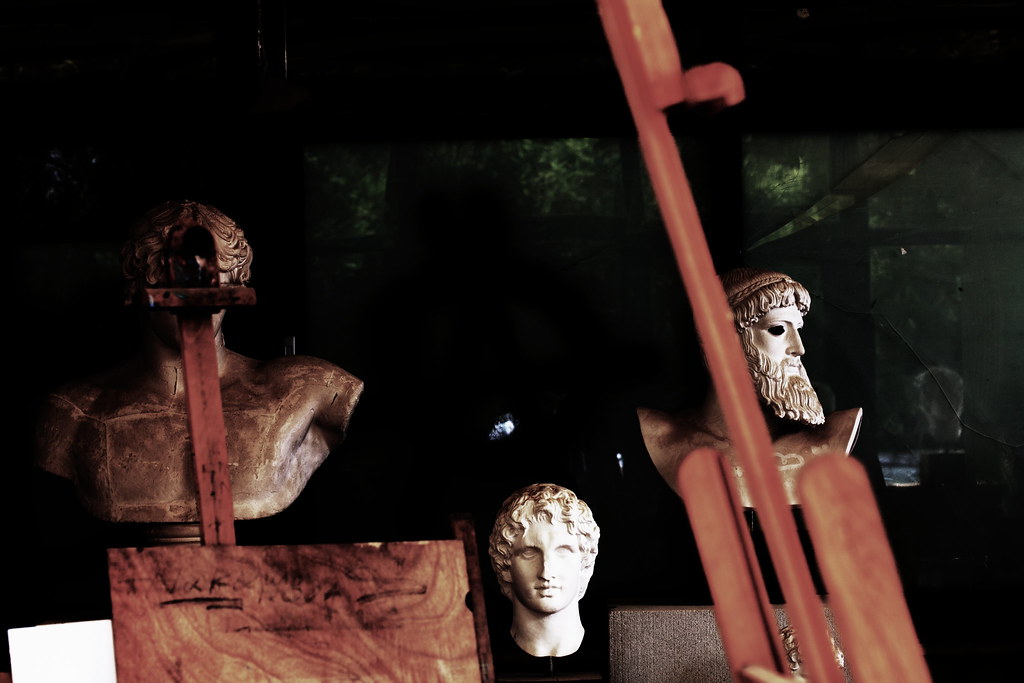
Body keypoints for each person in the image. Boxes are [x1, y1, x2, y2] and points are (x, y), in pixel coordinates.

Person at [33, 200, 364, 541]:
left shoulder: (309, 392)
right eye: (180, 285)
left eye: (213, 286)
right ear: (139, 289)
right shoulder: (76, 412)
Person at [637, 267, 863, 508]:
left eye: (798, 329)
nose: (799, 348)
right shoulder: (660, 438)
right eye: (778, 329)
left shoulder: (837, 434)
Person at [487, 482, 600, 660]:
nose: (546, 572)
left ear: (584, 562)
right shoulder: (484, 657)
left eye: (563, 551)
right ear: (505, 565)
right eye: (529, 553)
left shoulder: (613, 653)